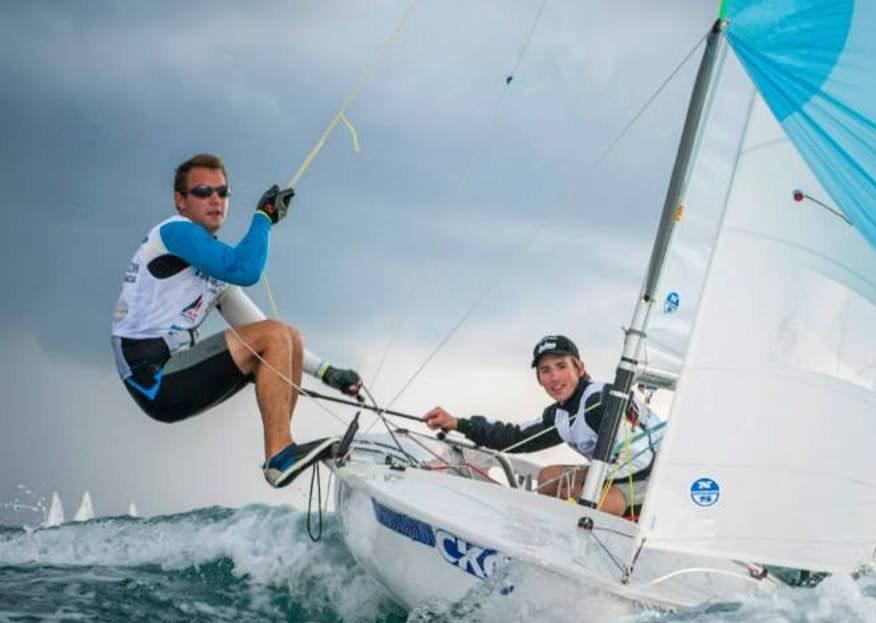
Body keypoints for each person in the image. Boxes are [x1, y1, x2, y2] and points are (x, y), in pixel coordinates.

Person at [111, 153, 363, 488]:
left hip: (175, 375)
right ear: (180, 200)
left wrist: (329, 373)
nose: (215, 200)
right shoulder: (174, 232)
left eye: (222, 192)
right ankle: (280, 454)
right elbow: (245, 270)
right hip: (154, 380)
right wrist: (263, 218)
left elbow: (267, 333)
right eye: (203, 192)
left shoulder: (210, 265)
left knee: (288, 336)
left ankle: (284, 448)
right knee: (275, 335)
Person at [423, 335, 663, 517]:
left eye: (561, 366)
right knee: (548, 478)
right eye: (545, 370)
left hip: (657, 480)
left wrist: (583, 489)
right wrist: (457, 423)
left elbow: (642, 460)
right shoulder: (560, 414)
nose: (554, 377)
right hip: (617, 473)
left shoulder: (600, 401)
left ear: (579, 368)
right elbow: (514, 437)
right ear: (539, 379)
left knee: (586, 503)